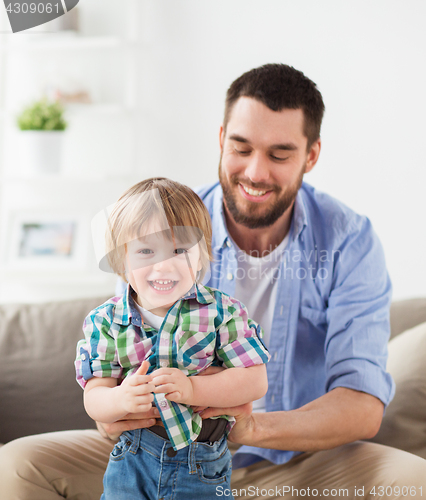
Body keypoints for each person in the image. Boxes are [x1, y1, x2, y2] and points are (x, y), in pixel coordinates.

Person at [1, 63, 425, 499]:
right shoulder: (158, 225)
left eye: (279, 155)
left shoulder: (348, 240)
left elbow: (361, 405)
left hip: (291, 461)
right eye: (241, 148)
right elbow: (110, 382)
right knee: (17, 466)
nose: (256, 172)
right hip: (152, 453)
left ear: (311, 155)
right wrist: (113, 409)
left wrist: (254, 427)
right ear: (221, 139)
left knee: (415, 483)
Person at [75, 178, 269, 499]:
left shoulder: (222, 312)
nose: (162, 265)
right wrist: (118, 400)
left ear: (203, 255)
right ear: (122, 260)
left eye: (179, 250)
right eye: (146, 251)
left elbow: (254, 379)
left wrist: (195, 388)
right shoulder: (106, 321)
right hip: (132, 458)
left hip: (202, 462)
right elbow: (95, 392)